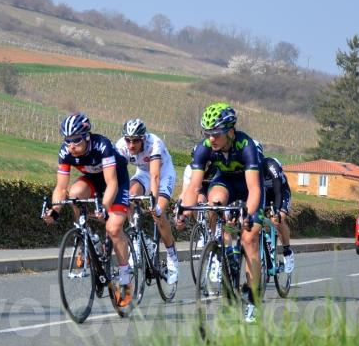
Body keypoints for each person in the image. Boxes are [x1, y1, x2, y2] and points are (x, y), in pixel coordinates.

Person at [175, 102, 264, 323]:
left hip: (248, 186)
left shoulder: (246, 145)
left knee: (249, 237)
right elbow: (194, 187)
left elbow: (254, 189)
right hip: (225, 182)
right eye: (207, 133)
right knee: (214, 203)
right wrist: (184, 212)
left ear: (230, 131)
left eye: (216, 134)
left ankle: (252, 299)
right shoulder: (204, 148)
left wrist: (248, 215)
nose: (211, 138)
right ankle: (218, 246)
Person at [43, 112, 133, 306]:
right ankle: (86, 236)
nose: (71, 145)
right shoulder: (66, 151)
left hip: (116, 181)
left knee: (114, 228)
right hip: (92, 181)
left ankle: (125, 280)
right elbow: (61, 188)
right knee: (75, 194)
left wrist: (106, 207)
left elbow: (111, 184)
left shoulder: (102, 146)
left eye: (76, 140)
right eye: (67, 141)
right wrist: (56, 210)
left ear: (86, 137)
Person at [115, 118, 179, 284]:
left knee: (158, 213)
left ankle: (172, 256)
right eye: (128, 140)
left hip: (163, 174)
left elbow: (156, 176)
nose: (131, 145)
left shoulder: (155, 143)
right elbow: (116, 174)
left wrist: (155, 202)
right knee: (128, 197)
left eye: (135, 141)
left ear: (143, 138)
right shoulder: (121, 146)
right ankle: (137, 240)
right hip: (143, 173)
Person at [261, 156, 295, 274]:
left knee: (277, 220)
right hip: (263, 193)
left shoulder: (271, 165)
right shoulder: (248, 167)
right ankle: (268, 248)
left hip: (280, 191)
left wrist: (277, 211)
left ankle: (287, 251)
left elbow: (278, 191)